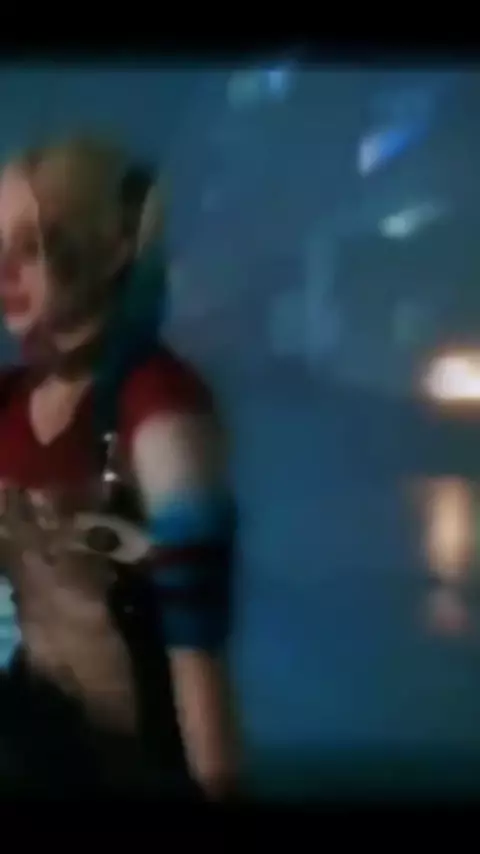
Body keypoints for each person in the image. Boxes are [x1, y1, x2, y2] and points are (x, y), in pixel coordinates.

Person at [0, 136, 237, 797]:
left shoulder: (156, 405)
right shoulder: (8, 403)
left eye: (35, 244)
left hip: (127, 772)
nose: (7, 272)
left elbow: (197, 656)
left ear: (113, 250)